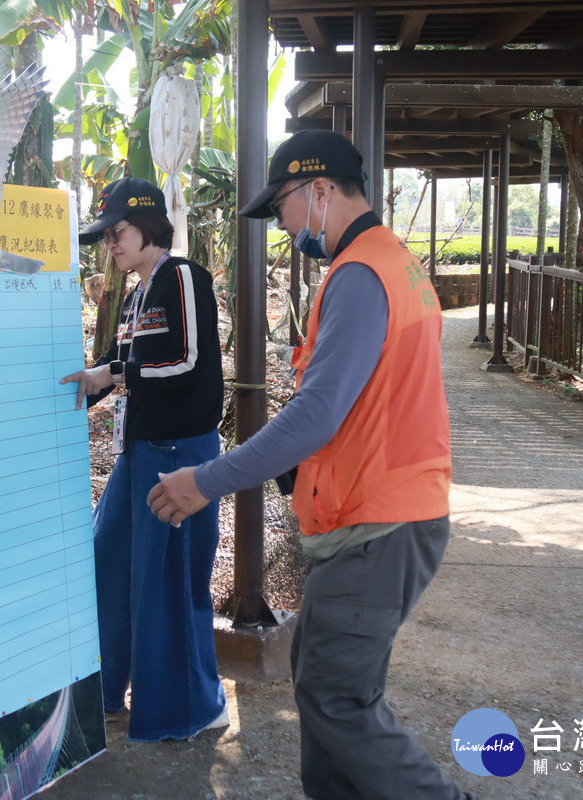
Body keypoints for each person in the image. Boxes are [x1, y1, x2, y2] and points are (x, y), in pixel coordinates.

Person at [148, 131, 474, 800]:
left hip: (378, 524)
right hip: (378, 518)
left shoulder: (359, 276)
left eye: (286, 207)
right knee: (323, 687)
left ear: (320, 191)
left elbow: (317, 413)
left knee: (337, 700)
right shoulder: (393, 265)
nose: (285, 224)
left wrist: (205, 482)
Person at [60, 178, 227, 741]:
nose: (111, 245)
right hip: (138, 452)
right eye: (105, 237)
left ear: (149, 225)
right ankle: (106, 689)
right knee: (109, 562)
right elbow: (119, 360)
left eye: (118, 232)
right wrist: (93, 379)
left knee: (170, 582)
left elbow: (189, 361)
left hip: (180, 455)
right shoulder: (136, 294)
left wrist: (112, 374)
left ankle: (189, 709)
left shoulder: (181, 277)